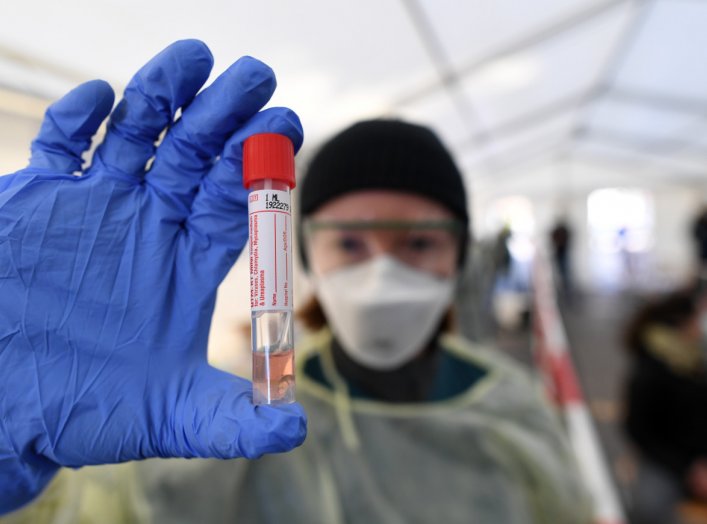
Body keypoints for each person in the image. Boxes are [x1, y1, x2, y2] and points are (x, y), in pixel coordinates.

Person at [1, 43, 591, 523]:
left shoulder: (514, 408)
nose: (381, 273)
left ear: (460, 254)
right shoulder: (236, 400)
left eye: (418, 242)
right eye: (350, 243)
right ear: (306, 251)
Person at [623, 290, 707, 524]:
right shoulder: (651, 369)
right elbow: (639, 431)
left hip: (699, 461)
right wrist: (689, 469)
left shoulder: (697, 362)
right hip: (667, 463)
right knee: (650, 508)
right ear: (681, 324)